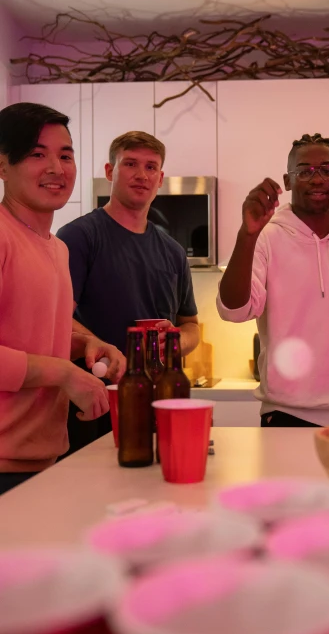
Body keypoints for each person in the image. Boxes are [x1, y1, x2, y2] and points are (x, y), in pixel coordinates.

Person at [217, 132, 329, 427]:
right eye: (304, 171)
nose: (317, 179)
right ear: (288, 181)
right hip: (287, 414)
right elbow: (234, 309)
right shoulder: (266, 238)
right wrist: (246, 235)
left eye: (327, 170)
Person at [0, 102, 123, 495]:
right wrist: (66, 374)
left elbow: (27, 332)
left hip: (43, 461)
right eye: (38, 154)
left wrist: (86, 344)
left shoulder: (56, 248)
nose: (56, 167)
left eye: (65, 155)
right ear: (3, 164)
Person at [57, 130, 200, 449]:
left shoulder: (174, 252)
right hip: (94, 401)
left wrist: (175, 340)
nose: (141, 174)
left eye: (151, 167)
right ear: (110, 171)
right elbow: (56, 318)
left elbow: (191, 327)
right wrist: (99, 344)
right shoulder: (79, 238)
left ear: (160, 178)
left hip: (157, 403)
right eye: (130, 163)